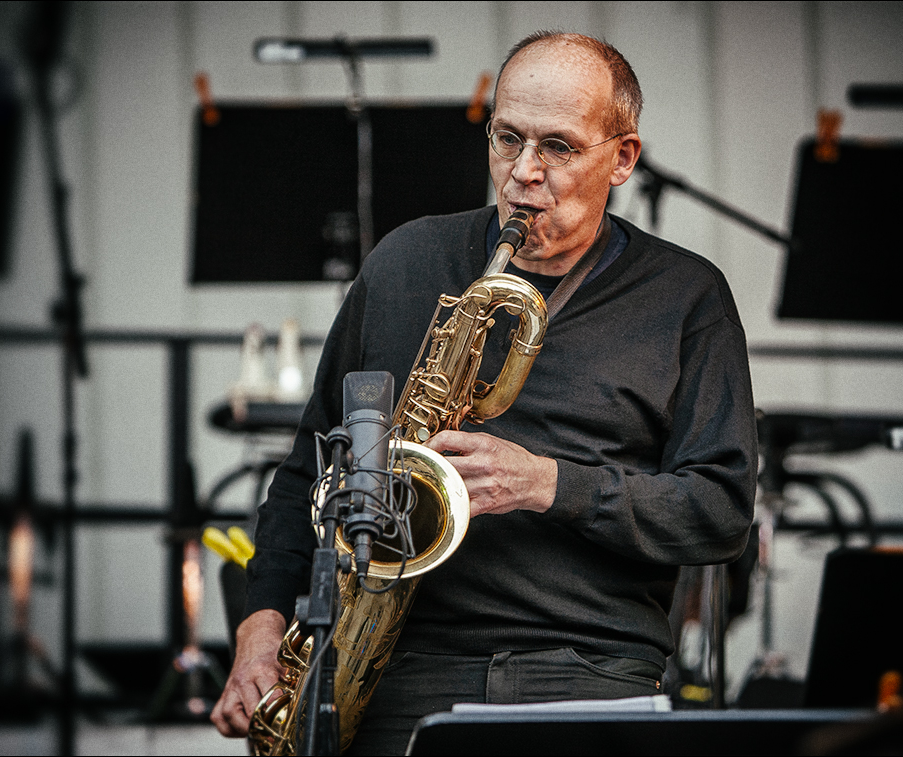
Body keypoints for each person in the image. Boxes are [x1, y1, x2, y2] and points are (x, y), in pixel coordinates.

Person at [212, 30, 758, 754]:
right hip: (399, 668)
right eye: (507, 139)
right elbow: (303, 475)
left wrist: (548, 484)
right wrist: (260, 629)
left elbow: (719, 511)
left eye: (558, 147)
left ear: (622, 157)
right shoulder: (407, 260)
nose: (523, 174)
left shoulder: (688, 297)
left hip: (588, 669)